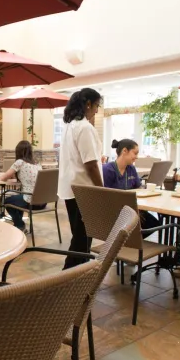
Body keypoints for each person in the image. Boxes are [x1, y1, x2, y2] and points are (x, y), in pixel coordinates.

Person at [58, 88, 104, 270]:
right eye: (96, 106)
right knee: (82, 238)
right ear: (88, 104)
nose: (97, 111)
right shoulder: (84, 127)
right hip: (84, 190)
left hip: (71, 189)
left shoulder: (70, 126)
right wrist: (102, 190)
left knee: (80, 236)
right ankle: (68, 277)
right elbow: (91, 164)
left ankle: (77, 275)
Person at [102, 139, 162, 232]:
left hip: (131, 209)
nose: (136, 157)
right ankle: (127, 240)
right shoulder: (108, 170)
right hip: (114, 212)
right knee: (145, 225)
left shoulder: (131, 169)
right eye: (135, 153)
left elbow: (138, 188)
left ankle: (131, 241)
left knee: (155, 224)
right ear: (124, 151)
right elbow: (106, 196)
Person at [0, 140, 43, 233]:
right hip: (42, 201)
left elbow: (3, 178)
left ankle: (20, 225)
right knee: (17, 197)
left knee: (5, 200)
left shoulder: (20, 162)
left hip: (30, 200)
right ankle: (19, 224)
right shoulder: (38, 165)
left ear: (18, 152)